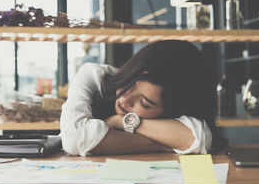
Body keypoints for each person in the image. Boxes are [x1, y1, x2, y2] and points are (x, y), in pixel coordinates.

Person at [60, 40, 226, 156]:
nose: (125, 99)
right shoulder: (94, 76)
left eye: (144, 103)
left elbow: (199, 138)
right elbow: (74, 139)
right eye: (130, 83)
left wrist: (121, 121)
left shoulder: (179, 105)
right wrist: (160, 144)